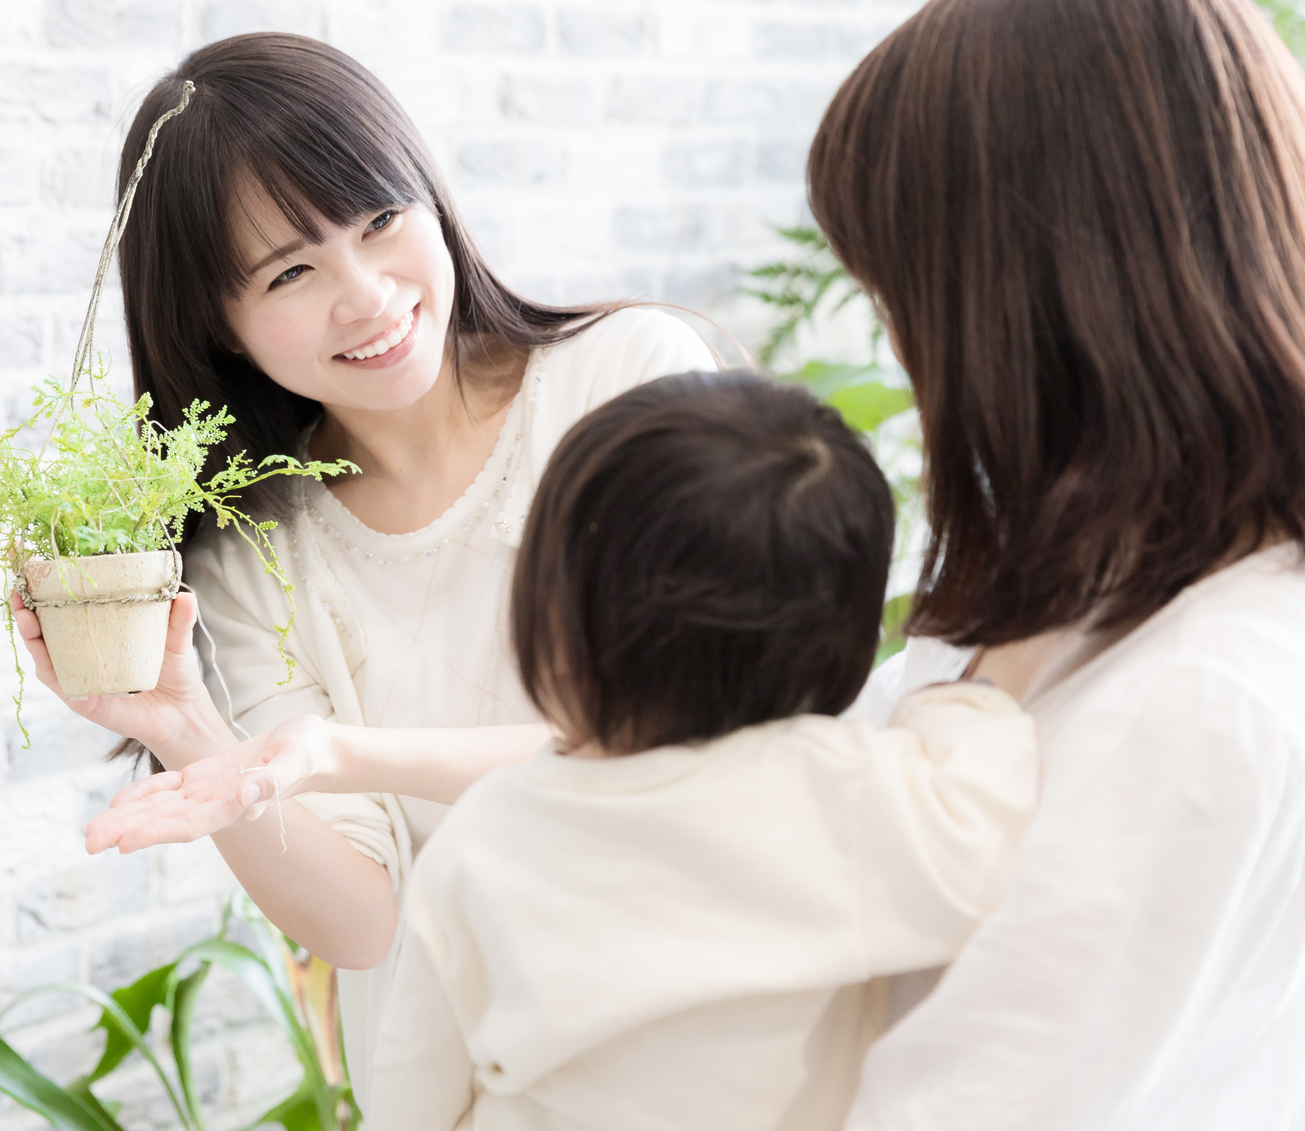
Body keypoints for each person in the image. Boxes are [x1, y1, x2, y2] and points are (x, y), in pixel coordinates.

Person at [6, 33, 718, 1093]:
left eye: (380, 220)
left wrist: (335, 750)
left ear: (430, 198)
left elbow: (682, 759)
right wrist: (192, 736)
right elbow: (360, 922)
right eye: (290, 271)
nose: (366, 295)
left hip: (705, 1049)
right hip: (468, 1085)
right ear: (218, 329)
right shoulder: (250, 552)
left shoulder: (626, 384)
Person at [810, 0, 1305, 1127]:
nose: (900, 350)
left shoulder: (1193, 700)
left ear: (1033, 301)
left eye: (903, 296)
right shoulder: (1144, 575)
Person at [368, 371, 1039, 1131]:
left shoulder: (481, 838)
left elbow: (410, 1095)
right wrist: (953, 698)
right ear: (842, 653)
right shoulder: (841, 791)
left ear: (552, 624)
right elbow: (990, 808)